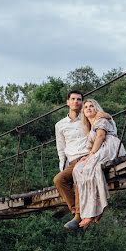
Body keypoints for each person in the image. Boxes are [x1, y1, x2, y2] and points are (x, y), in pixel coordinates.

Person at [73, 98, 126, 230]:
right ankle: (94, 208)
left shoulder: (102, 119)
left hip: (110, 146)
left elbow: (101, 136)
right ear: (83, 112)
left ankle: (92, 212)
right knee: (77, 169)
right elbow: (93, 144)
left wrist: (91, 155)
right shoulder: (91, 126)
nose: (89, 108)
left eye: (92, 106)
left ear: (96, 108)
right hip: (100, 149)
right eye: (86, 107)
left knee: (89, 168)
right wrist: (88, 155)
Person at [53, 90, 90, 229]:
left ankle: (78, 216)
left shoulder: (87, 117)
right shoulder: (60, 125)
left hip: (87, 157)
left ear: (82, 102)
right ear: (67, 102)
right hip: (72, 161)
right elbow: (61, 147)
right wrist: (62, 166)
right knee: (58, 179)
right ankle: (76, 211)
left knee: (77, 176)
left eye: (79, 99)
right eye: (73, 99)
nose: (76, 101)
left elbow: (104, 123)